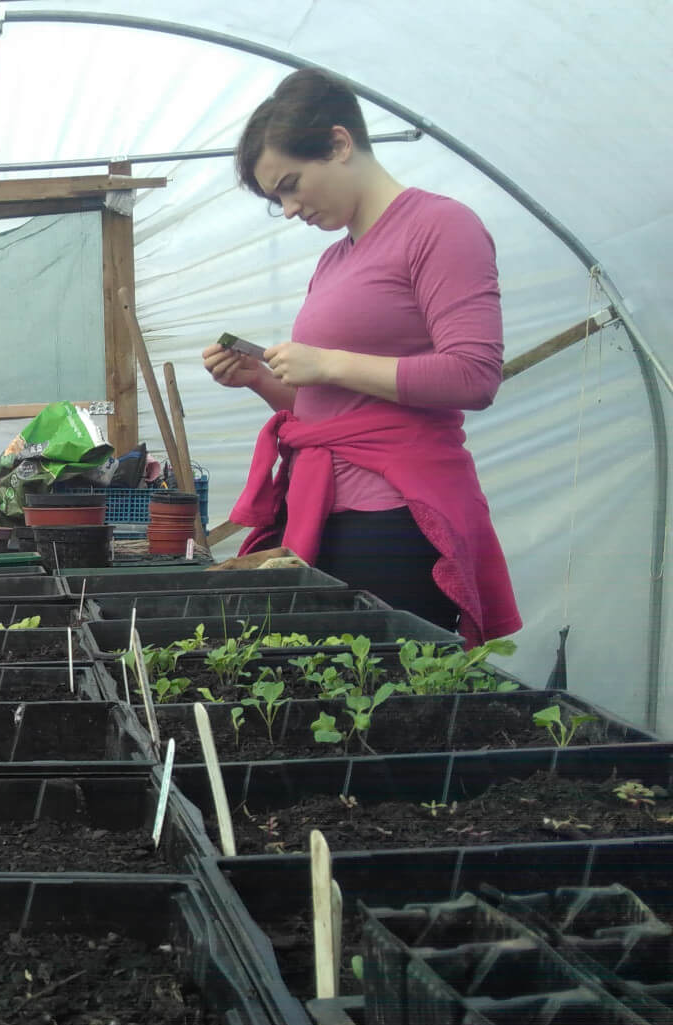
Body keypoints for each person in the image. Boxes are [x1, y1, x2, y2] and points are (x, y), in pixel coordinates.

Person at [202, 68, 520, 644]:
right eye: (279, 199)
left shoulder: (440, 227)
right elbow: (329, 409)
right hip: (322, 511)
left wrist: (327, 362)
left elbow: (474, 375)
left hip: (396, 516)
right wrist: (257, 378)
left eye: (292, 184)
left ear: (339, 143)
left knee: (387, 697)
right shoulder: (334, 261)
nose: (292, 208)